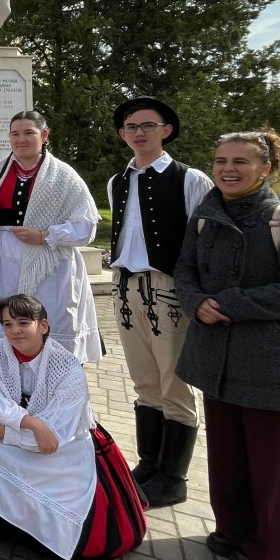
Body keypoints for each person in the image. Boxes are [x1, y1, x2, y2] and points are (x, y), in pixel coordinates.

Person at [175, 129, 280, 560]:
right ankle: (234, 529)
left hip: (270, 359)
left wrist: (229, 304)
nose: (228, 169)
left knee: (272, 462)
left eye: (241, 161)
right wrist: (194, 301)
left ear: (267, 167)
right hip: (216, 353)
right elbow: (184, 268)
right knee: (228, 452)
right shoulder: (205, 213)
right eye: (221, 160)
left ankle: (275, 548)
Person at [0, 294, 144, 560]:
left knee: (50, 483)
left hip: (65, 443)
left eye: (23, 323)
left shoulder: (68, 368)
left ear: (43, 326)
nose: (14, 331)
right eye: (7, 324)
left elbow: (51, 440)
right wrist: (27, 422)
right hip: (22, 430)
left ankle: (13, 522)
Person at [107, 96, 212, 507]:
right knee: (145, 381)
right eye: (131, 127)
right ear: (122, 134)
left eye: (147, 125)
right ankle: (149, 464)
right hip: (126, 286)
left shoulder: (190, 179)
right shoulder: (118, 181)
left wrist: (196, 293)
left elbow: (203, 241)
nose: (138, 132)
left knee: (175, 384)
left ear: (165, 130)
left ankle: (173, 477)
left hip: (169, 288)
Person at [0, 110, 103, 363]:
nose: (21, 139)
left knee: (50, 319)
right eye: (15, 134)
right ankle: (8, 382)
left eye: (28, 133)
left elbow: (86, 226)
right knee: (5, 321)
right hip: (0, 263)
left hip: (50, 267)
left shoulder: (64, 176)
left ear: (44, 135)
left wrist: (45, 235)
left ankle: (57, 379)